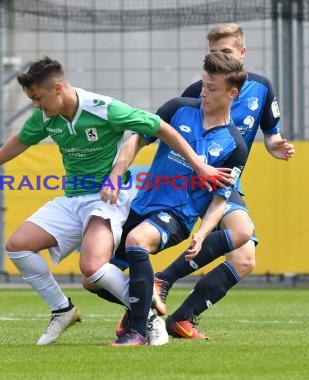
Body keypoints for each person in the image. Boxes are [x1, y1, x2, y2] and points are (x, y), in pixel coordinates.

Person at [0, 56, 232, 345]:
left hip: (107, 199)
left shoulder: (104, 109)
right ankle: (61, 309)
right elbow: (22, 139)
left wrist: (200, 166)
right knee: (17, 247)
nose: (36, 105)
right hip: (73, 198)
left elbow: (161, 128)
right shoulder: (46, 117)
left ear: (58, 88)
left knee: (92, 267)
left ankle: (145, 317)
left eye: (38, 98)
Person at [152, 23, 295, 339]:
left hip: (227, 179)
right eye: (214, 53)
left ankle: (181, 317)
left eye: (226, 52)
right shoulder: (197, 91)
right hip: (198, 181)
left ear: (242, 53)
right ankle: (158, 285)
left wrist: (277, 147)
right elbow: (172, 134)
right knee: (241, 235)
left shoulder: (262, 88)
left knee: (244, 259)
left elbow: (271, 136)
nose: (219, 58)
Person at [98, 51, 250, 346]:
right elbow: (136, 140)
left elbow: (220, 199)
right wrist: (117, 172)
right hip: (140, 206)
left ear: (232, 93)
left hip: (177, 216)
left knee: (136, 241)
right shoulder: (178, 108)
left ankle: (138, 332)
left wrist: (203, 234)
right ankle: (145, 308)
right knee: (93, 277)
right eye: (204, 84)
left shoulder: (235, 145)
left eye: (212, 88)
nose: (204, 92)